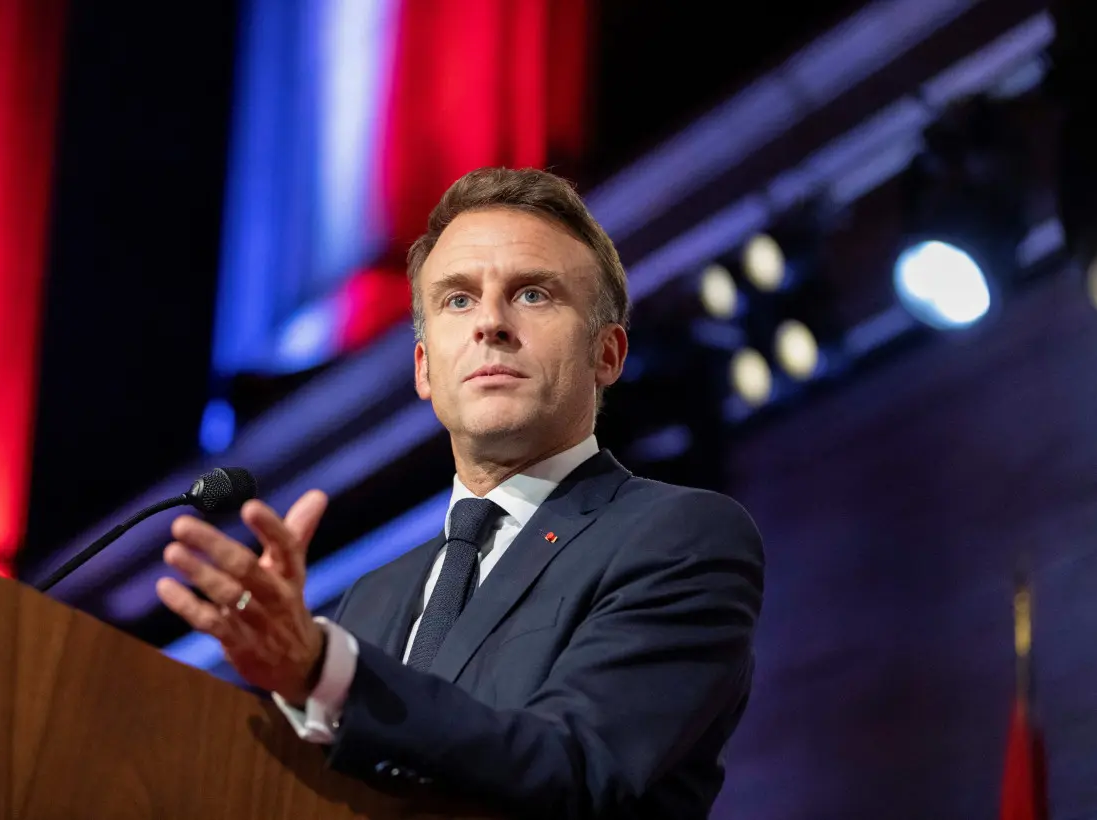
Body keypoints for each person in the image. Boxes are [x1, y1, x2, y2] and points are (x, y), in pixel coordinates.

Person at [156, 167, 765, 819]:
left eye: (533, 295)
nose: (491, 325)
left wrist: (325, 671)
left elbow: (575, 767)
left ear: (606, 356)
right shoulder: (375, 597)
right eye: (457, 300)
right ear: (424, 369)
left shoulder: (680, 536)